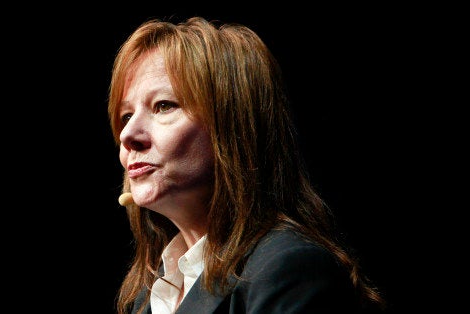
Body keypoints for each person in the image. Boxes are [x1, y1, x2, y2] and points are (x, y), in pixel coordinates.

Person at [107, 16, 386, 314]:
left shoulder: (288, 269)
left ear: (233, 125)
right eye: (125, 115)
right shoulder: (148, 296)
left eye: (163, 106)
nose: (127, 135)